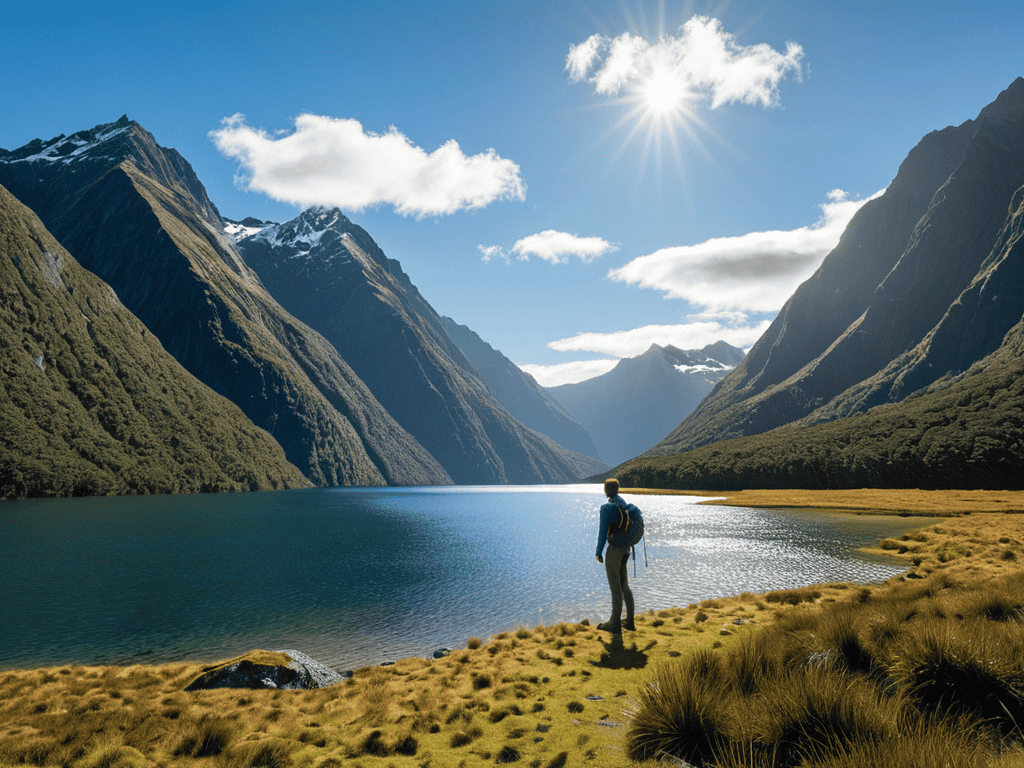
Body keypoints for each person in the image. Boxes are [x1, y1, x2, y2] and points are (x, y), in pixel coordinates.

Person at [595, 478, 635, 632]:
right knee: (624, 585)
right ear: (617, 489)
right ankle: (629, 621)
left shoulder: (607, 508)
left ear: (606, 490)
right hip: (626, 548)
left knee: (615, 587)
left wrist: (598, 552)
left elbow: (602, 533)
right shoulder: (623, 503)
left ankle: (614, 623)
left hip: (615, 550)